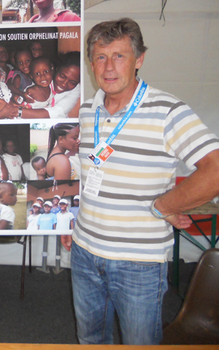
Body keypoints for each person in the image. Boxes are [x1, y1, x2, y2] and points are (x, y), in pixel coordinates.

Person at [62, 18, 219, 345]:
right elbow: (85, 173)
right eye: (100, 57)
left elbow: (214, 169)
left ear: (139, 60)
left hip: (138, 263)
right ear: (91, 64)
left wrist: (165, 205)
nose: (108, 67)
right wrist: (68, 221)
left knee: (140, 344)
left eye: (119, 56)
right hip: (84, 252)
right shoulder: (86, 111)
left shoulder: (167, 111)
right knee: (90, 340)